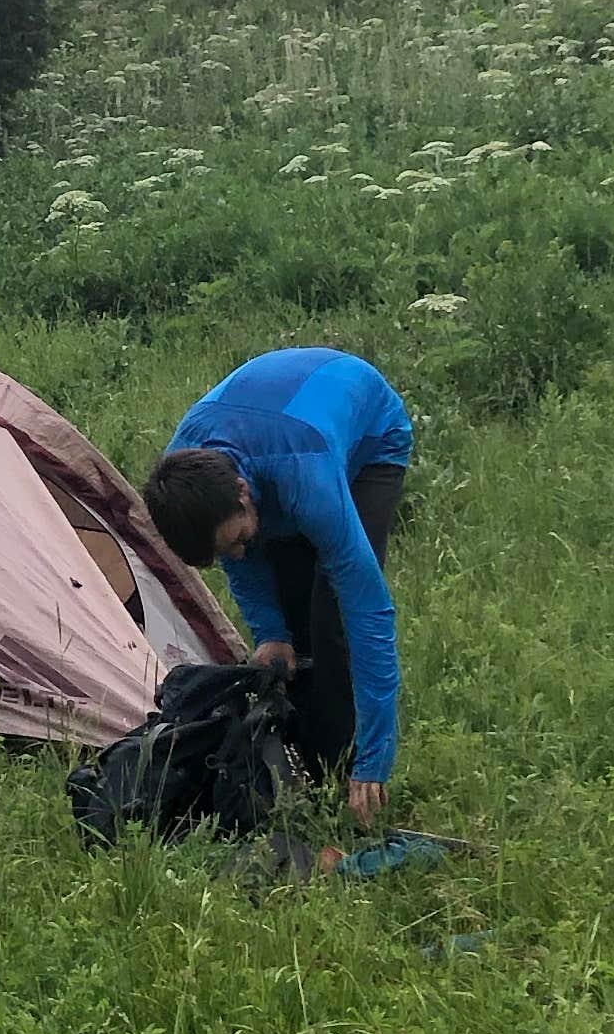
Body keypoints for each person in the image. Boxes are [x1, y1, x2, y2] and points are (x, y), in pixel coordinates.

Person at [143, 349, 413, 822]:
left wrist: (378, 756)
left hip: (369, 437)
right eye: (225, 551)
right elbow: (240, 557)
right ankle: (306, 763)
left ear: (244, 492)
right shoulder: (187, 478)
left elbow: (369, 612)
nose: (240, 556)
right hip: (278, 442)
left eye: (240, 539)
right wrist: (270, 632)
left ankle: (350, 774)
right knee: (293, 624)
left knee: (334, 620)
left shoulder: (305, 479)